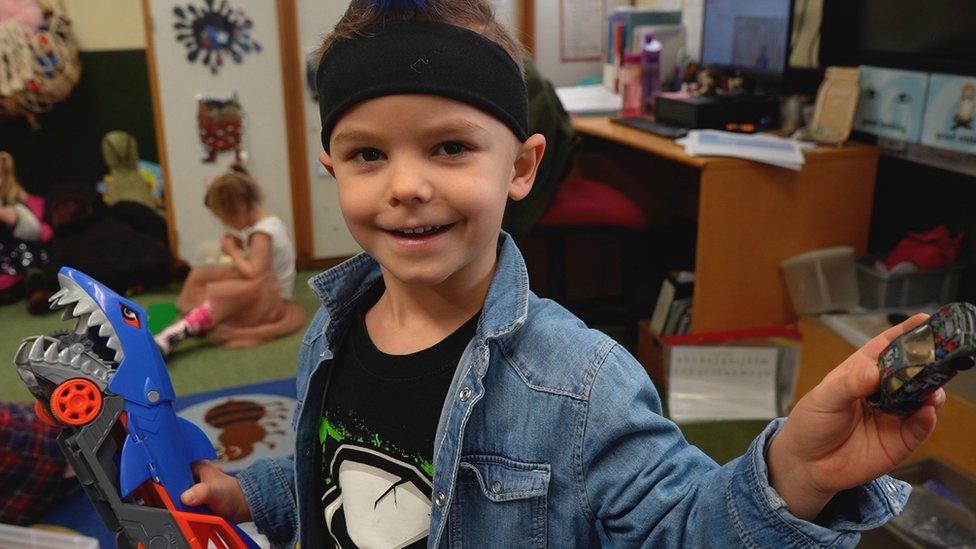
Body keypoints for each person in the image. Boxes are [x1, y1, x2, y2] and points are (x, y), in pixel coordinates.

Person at [178, 1, 945, 547]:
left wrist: (795, 475)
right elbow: (337, 459)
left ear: (520, 166)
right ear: (332, 167)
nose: (405, 184)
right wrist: (257, 491)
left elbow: (683, 528)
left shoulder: (582, 385)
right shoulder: (334, 324)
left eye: (449, 147)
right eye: (368, 154)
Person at [155, 163, 305, 354]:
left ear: (238, 207)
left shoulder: (261, 234)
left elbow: (254, 272)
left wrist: (233, 251)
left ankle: (184, 329)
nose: (225, 224)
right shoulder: (270, 223)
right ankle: (195, 321)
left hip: (271, 298)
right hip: (269, 286)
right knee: (216, 280)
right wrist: (242, 247)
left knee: (223, 295)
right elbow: (265, 261)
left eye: (224, 217)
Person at [0, 151, 50, 306]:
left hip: (24, 258)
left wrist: (11, 216)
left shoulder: (18, 202)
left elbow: (35, 231)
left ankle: (36, 288)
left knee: (23, 248)